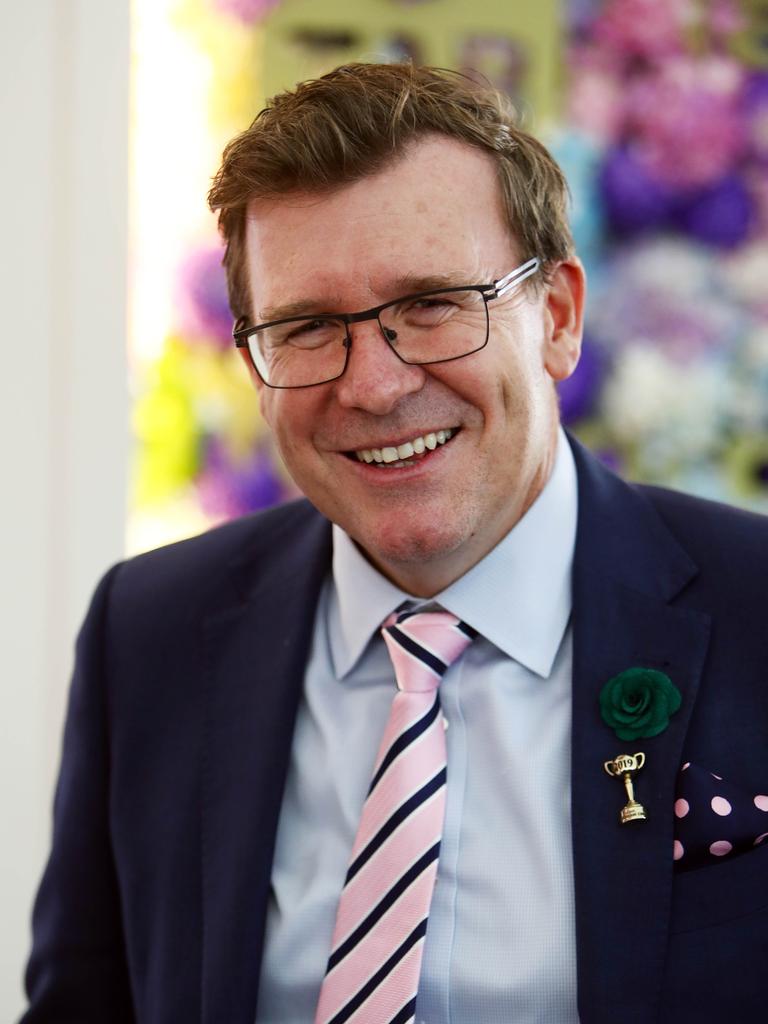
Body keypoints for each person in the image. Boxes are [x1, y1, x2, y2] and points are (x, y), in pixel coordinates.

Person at [20, 63, 768, 1024]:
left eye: (431, 304)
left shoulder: (755, 612)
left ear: (560, 319)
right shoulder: (152, 631)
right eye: (307, 325)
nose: (373, 384)